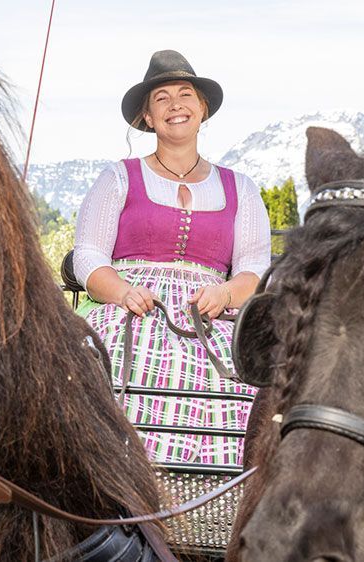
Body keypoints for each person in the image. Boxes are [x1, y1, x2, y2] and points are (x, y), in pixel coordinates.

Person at [73, 50, 270, 470]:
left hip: (208, 312)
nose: (175, 105)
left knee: (249, 382)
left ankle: (216, 497)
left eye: (185, 95)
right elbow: (88, 255)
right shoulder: (119, 177)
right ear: (147, 117)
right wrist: (122, 291)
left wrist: (224, 292)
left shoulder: (241, 188)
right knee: (97, 366)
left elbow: (255, 269)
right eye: (161, 98)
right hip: (133, 306)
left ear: (202, 109)